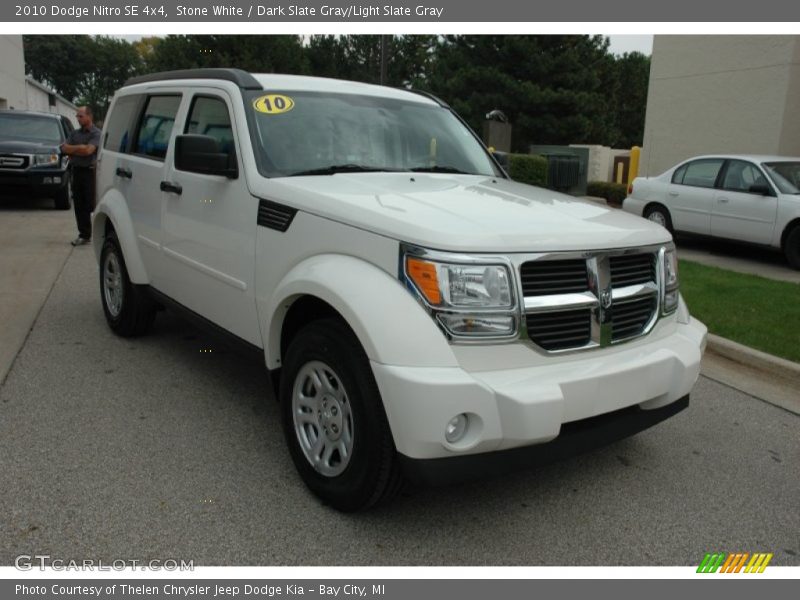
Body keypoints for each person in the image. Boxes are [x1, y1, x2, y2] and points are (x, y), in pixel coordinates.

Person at [60, 106, 102, 246]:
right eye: (77, 116)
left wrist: (75, 149)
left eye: (80, 116)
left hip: (90, 172)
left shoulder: (96, 133)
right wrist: (80, 148)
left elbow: (89, 151)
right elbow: (64, 148)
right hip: (76, 171)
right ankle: (84, 235)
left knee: (91, 204)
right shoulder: (74, 133)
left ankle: (99, 233)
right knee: (79, 205)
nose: (78, 119)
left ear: (89, 116)